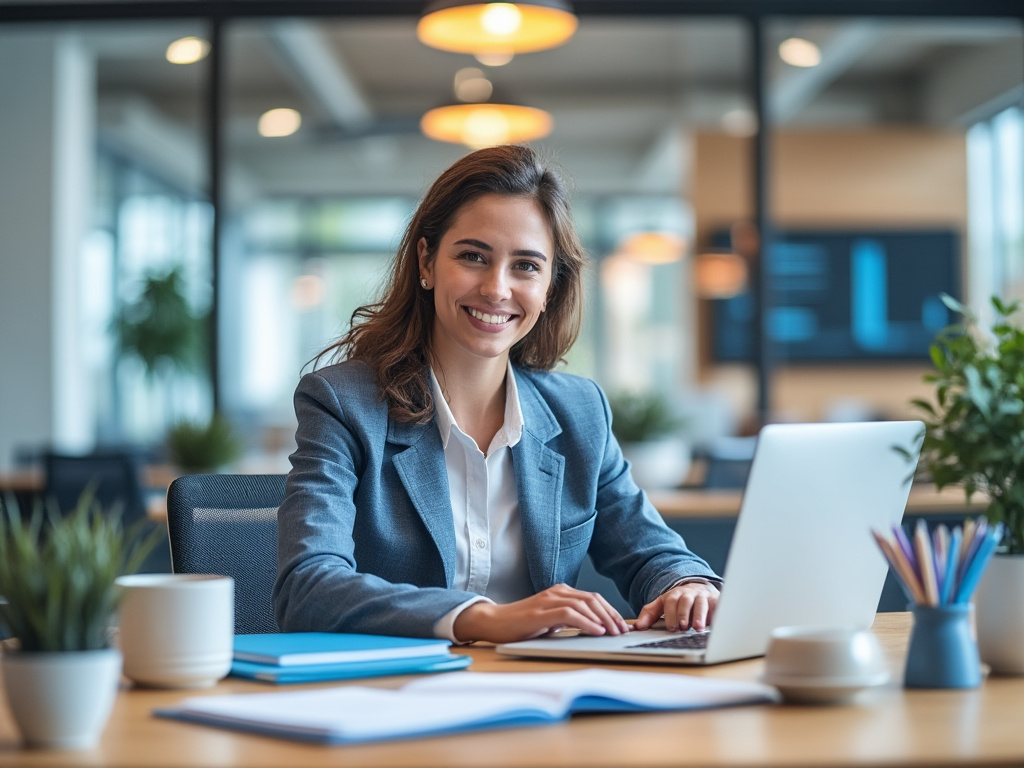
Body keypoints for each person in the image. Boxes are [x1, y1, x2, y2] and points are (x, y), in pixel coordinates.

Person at [273, 145, 721, 644]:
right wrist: (481, 618)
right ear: (426, 261)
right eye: (472, 257)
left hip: (544, 694)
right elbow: (308, 588)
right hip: (394, 696)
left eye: (526, 266)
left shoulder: (579, 412)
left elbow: (652, 553)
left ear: (550, 285)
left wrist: (687, 585)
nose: (496, 288)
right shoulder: (342, 404)